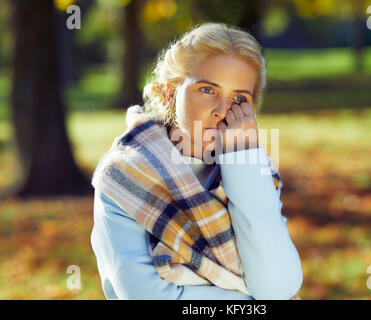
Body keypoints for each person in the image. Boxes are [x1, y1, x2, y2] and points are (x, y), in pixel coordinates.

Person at [90, 22, 303, 300]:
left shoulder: (254, 170)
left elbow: (278, 287)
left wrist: (243, 164)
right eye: (207, 90)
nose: (222, 110)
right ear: (170, 93)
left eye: (239, 98)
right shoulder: (125, 176)